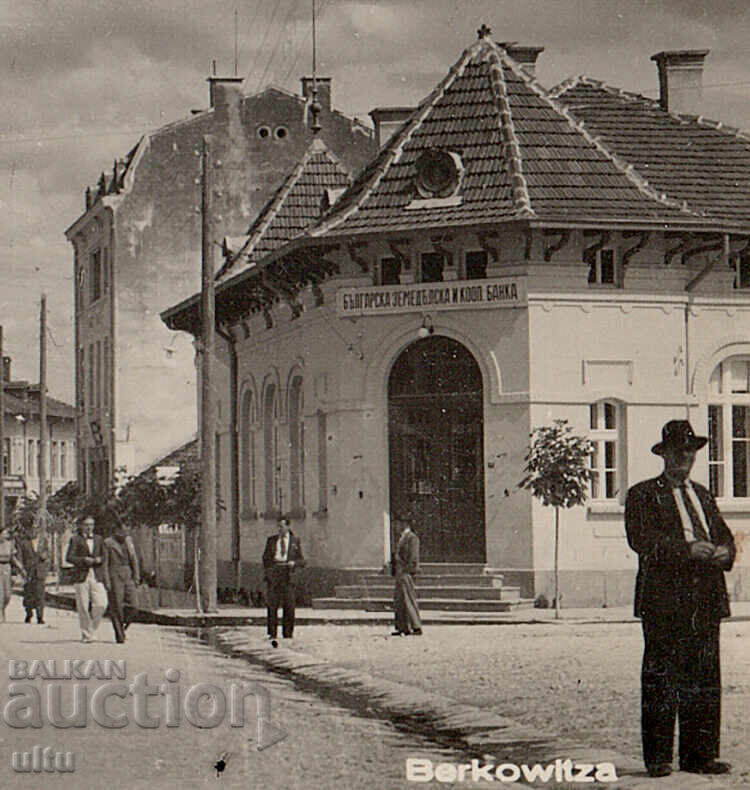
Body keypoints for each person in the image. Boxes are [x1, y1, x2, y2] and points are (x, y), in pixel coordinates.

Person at [625, 420, 735, 778]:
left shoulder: (702, 494)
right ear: (664, 454)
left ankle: (699, 755)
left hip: (705, 598)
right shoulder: (643, 494)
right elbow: (642, 540)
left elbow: (723, 533)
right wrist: (688, 550)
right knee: (662, 677)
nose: (683, 459)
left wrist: (725, 552)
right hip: (665, 600)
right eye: (676, 453)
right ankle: (658, 758)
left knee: (704, 678)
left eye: (689, 453)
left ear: (695, 456)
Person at [66, 516, 108, 642]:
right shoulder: (75, 539)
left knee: (101, 603)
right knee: (83, 606)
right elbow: (69, 557)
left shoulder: (99, 539)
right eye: (86, 524)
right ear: (81, 526)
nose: (89, 527)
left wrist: (99, 559)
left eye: (91, 524)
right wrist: (83, 560)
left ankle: (92, 629)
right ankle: (86, 633)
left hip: (96, 574)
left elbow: (104, 556)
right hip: (81, 575)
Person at [262, 517, 305, 642]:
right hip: (275, 573)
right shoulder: (271, 540)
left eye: (281, 526)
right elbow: (265, 558)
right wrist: (269, 572)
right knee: (273, 605)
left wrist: (294, 563)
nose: (279, 529)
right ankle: (272, 632)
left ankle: (287, 632)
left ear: (288, 527)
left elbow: (302, 560)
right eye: (278, 527)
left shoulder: (294, 541)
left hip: (288, 574)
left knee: (289, 604)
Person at [102, 522, 140, 644]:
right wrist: (107, 580)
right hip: (114, 575)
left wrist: (136, 577)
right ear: (116, 530)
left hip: (128, 575)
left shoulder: (128, 541)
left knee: (134, 606)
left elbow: (134, 559)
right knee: (116, 606)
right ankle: (119, 634)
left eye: (126, 530)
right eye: (123, 530)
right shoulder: (108, 543)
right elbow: (105, 564)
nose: (125, 533)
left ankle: (122, 625)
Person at [392, 520, 422, 636]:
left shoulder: (412, 538)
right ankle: (403, 627)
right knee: (400, 600)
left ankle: (416, 626)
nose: (396, 526)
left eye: (398, 524)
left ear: (405, 524)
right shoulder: (401, 538)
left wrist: (408, 570)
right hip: (400, 572)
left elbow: (413, 557)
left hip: (406, 572)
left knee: (408, 598)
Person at [17, 526, 49, 624]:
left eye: (35, 529)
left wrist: (45, 557)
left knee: (40, 594)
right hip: (28, 571)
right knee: (28, 594)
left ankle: (40, 616)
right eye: (30, 530)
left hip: (40, 571)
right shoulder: (23, 543)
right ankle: (28, 613)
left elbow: (48, 553)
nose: (33, 532)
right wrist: (22, 570)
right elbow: (20, 557)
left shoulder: (43, 541)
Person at [0, 527, 25, 622]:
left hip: (7, 568)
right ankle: (0, 613)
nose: (6, 535)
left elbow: (13, 558)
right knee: (0, 593)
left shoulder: (9, 544)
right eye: (4, 533)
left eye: (7, 534)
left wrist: (21, 568)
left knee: (7, 594)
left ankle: (3, 608)